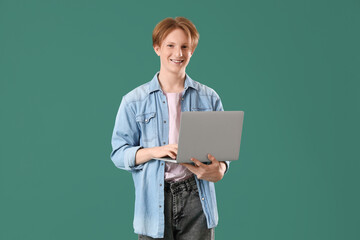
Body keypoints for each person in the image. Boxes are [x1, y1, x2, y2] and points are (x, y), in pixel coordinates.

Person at [110, 16, 230, 240]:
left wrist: (220, 169)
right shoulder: (134, 101)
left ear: (192, 50)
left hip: (197, 196)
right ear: (157, 48)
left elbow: (222, 154)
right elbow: (118, 154)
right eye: (171, 46)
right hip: (154, 199)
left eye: (185, 46)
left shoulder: (209, 97)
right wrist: (154, 152)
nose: (179, 53)